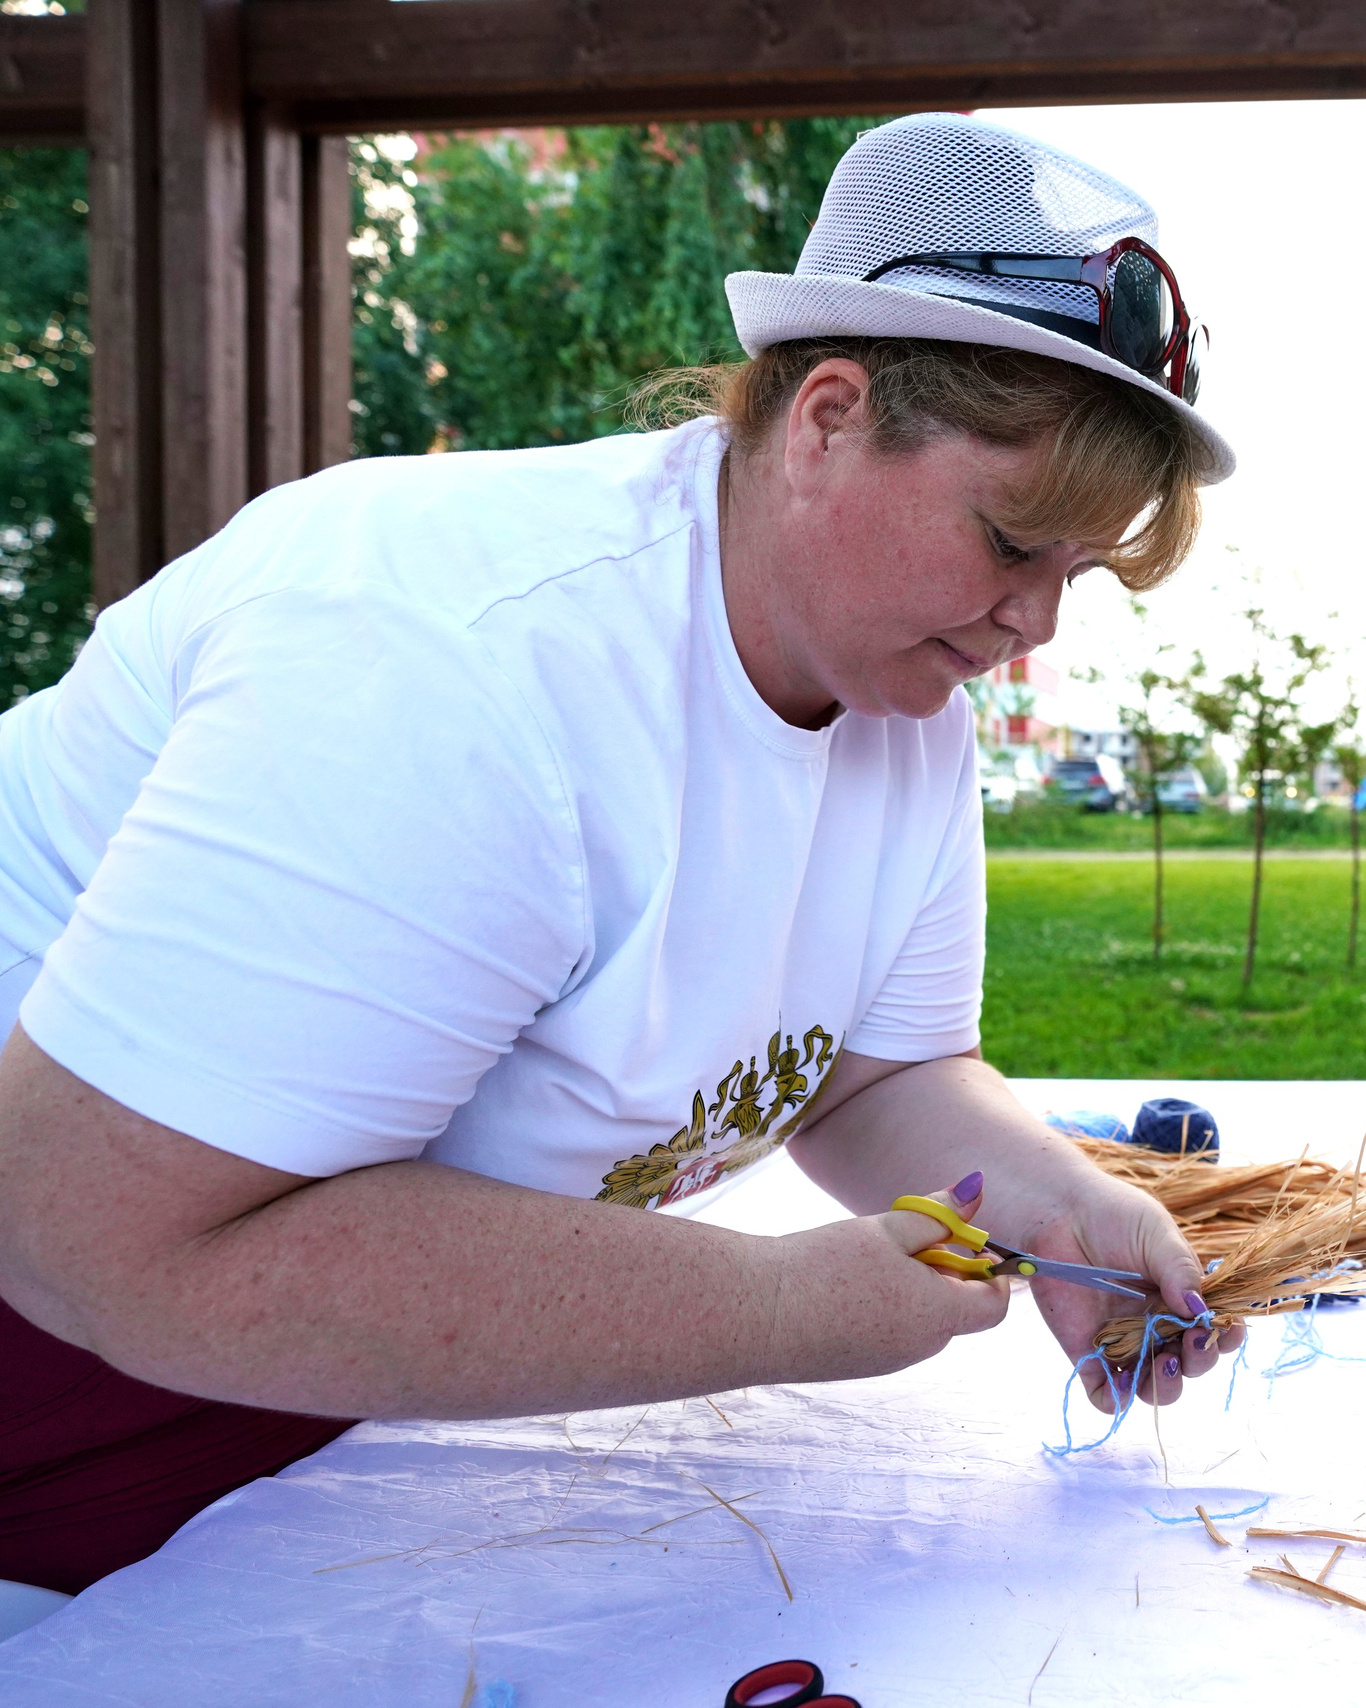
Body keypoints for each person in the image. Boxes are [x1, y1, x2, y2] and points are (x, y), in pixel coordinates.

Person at [0, 114, 1247, 1594]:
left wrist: (1052, 1198)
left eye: (1079, 574)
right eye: (1008, 542)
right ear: (828, 416)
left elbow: (879, 1075)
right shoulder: (456, 660)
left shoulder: (900, 696)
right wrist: (780, 1307)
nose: (1038, 625)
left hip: (287, 1364)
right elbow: (89, 1239)